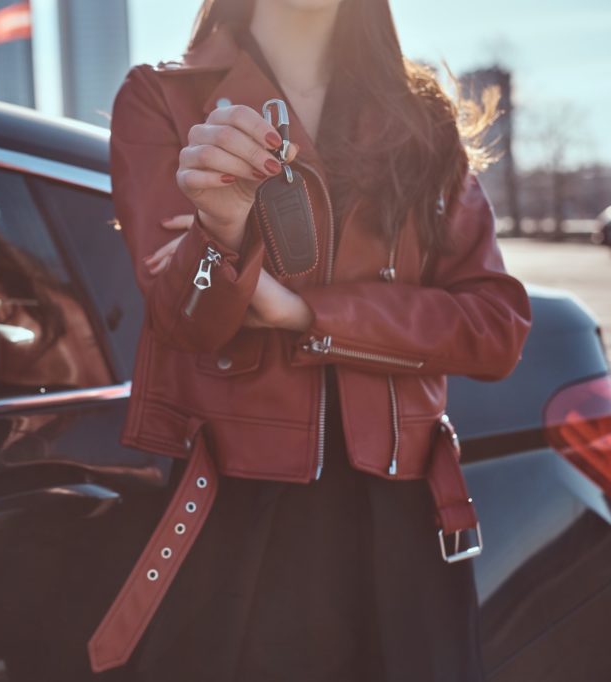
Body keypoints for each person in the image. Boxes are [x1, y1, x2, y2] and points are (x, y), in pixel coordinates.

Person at [87, 1, 533, 680]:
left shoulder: (423, 117)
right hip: (234, 514)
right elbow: (185, 316)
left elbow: (496, 328)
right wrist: (222, 231)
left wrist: (306, 314)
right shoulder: (163, 97)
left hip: (405, 516)